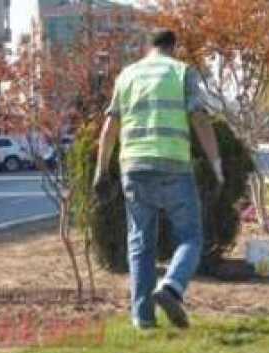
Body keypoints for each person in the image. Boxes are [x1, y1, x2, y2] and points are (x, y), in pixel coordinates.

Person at [94, 27, 224, 330]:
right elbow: (200, 120)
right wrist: (216, 165)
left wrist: (101, 171)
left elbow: (109, 128)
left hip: (134, 167)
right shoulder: (181, 72)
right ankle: (171, 288)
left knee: (140, 243)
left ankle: (143, 319)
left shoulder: (126, 76)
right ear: (173, 47)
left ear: (148, 48)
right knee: (191, 236)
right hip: (174, 166)